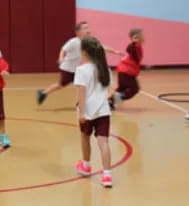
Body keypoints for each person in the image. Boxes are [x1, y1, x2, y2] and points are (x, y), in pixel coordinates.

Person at [37, 22, 123, 105]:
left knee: (84, 85)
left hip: (76, 69)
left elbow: (102, 47)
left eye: (88, 27)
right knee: (61, 85)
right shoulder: (73, 42)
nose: (88, 30)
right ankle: (43, 93)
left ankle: (83, 101)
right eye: (85, 28)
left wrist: (115, 51)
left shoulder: (88, 41)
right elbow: (63, 49)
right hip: (67, 69)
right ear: (78, 32)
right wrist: (61, 58)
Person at [74, 36, 113, 188]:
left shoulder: (81, 70)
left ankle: (86, 165)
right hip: (103, 111)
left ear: (84, 52)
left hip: (88, 112)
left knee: (85, 137)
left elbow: (81, 94)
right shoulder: (105, 69)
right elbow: (108, 90)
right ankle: (107, 175)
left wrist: (82, 113)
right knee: (103, 143)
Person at [109, 28, 144, 110]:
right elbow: (130, 48)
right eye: (142, 36)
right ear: (137, 37)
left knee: (121, 88)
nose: (144, 37)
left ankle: (109, 102)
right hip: (126, 72)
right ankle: (118, 97)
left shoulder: (137, 46)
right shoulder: (135, 46)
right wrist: (135, 42)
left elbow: (135, 58)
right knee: (134, 89)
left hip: (123, 71)